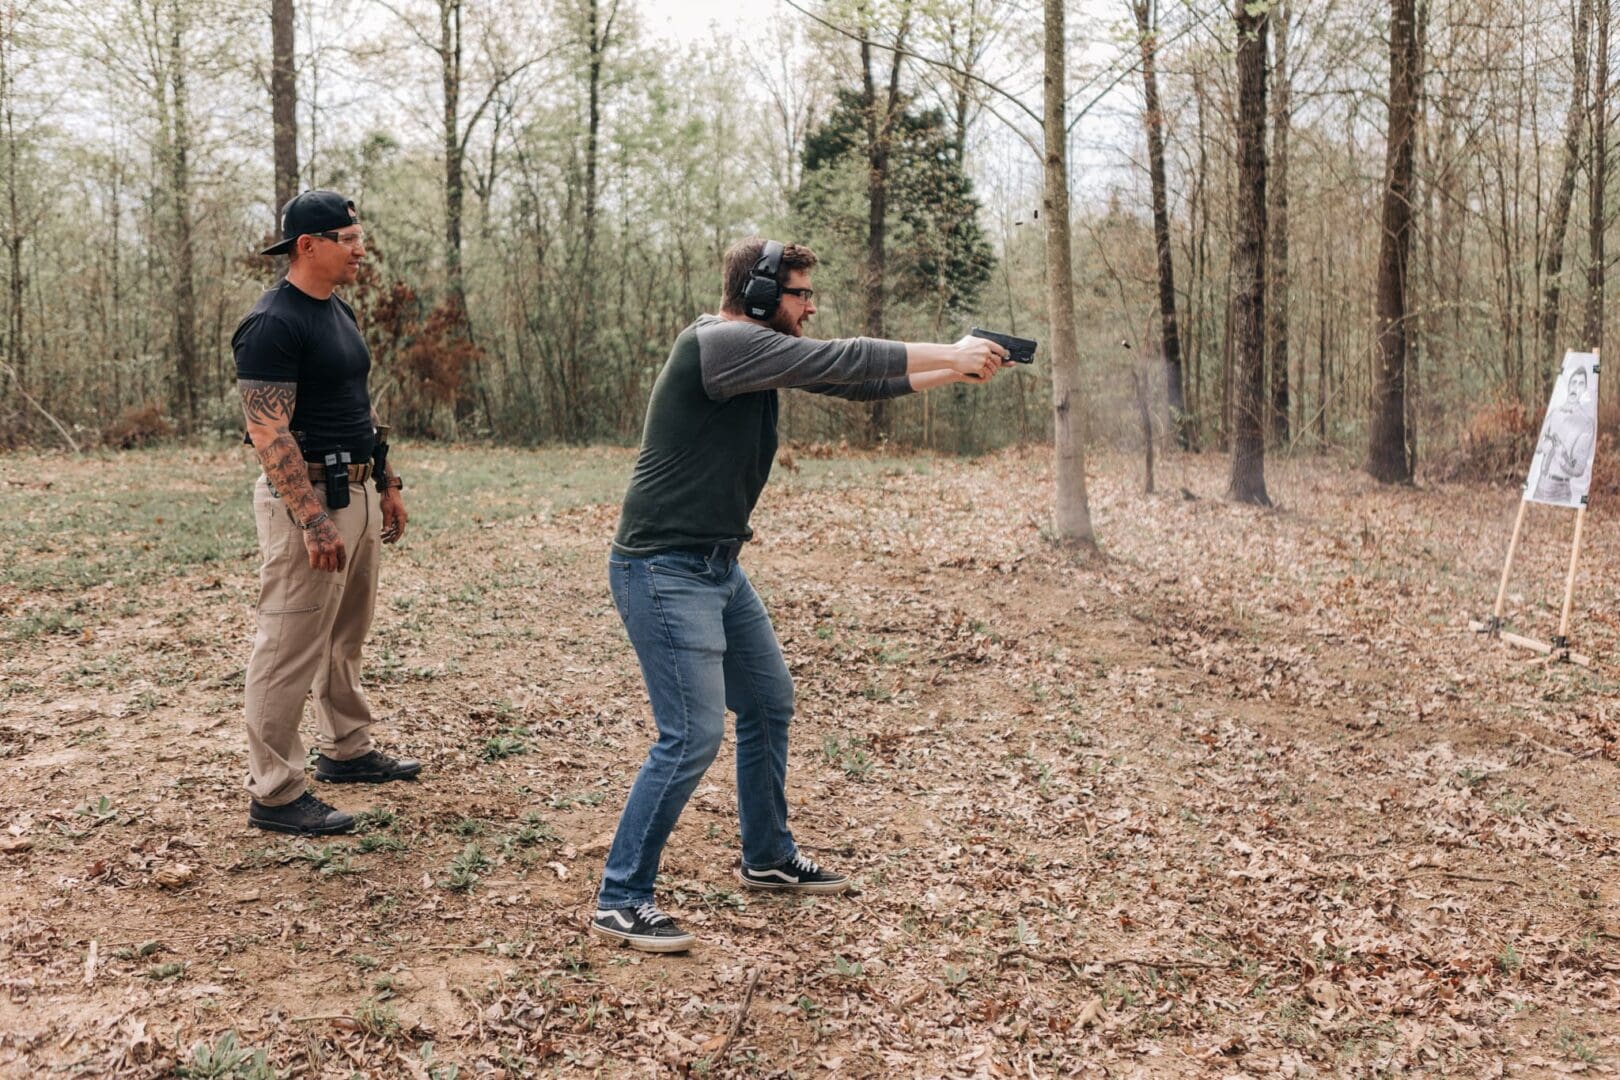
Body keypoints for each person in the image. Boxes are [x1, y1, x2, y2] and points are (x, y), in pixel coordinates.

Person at [589, 237, 1010, 951]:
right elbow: (839, 359)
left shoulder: (754, 351)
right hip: (663, 568)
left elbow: (850, 382)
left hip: (715, 566)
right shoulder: (720, 345)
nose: (810, 306)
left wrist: (951, 368)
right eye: (799, 294)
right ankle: (621, 896)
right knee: (690, 735)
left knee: (766, 701)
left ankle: (767, 856)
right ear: (756, 295)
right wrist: (948, 345)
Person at [232, 190, 419, 837]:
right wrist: (310, 518)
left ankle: (348, 750)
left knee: (345, 632)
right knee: (288, 642)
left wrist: (387, 478)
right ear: (307, 245)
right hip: (307, 500)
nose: (360, 250)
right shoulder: (272, 323)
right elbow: (267, 430)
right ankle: (276, 792)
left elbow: (356, 404)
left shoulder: (336, 312)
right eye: (349, 238)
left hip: (358, 489)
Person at [1532, 365, 1597, 505]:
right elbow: (1537, 446)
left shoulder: (1585, 423)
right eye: (1573, 382)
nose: (1575, 387)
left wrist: (1562, 456)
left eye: (1581, 384)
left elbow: (1578, 467)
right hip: (1540, 484)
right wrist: (1543, 445)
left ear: (1585, 389)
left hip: (1560, 490)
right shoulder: (1554, 412)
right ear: (1568, 385)